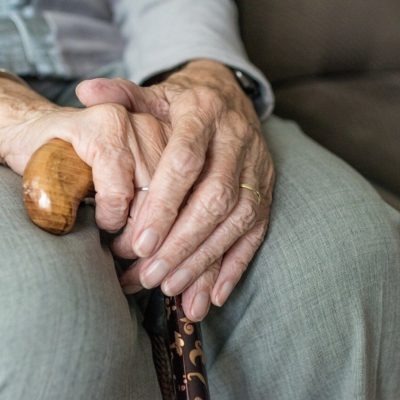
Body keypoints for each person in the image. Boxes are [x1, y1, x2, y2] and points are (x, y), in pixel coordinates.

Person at [0, 1, 399, 399]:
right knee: (44, 321)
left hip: (130, 71)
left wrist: (205, 73)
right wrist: (16, 115)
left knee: (348, 258)